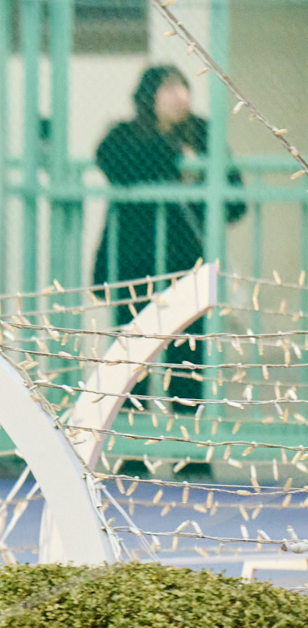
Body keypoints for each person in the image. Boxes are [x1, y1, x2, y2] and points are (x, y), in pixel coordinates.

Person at [92, 64, 244, 435]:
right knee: (132, 357)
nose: (181, 96)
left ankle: (188, 449)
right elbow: (112, 159)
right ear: (149, 96)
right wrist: (177, 160)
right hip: (134, 261)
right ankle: (133, 449)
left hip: (185, 261)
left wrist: (199, 172)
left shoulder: (204, 132)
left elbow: (235, 195)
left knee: (188, 359)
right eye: (169, 88)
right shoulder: (126, 134)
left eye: (184, 87)